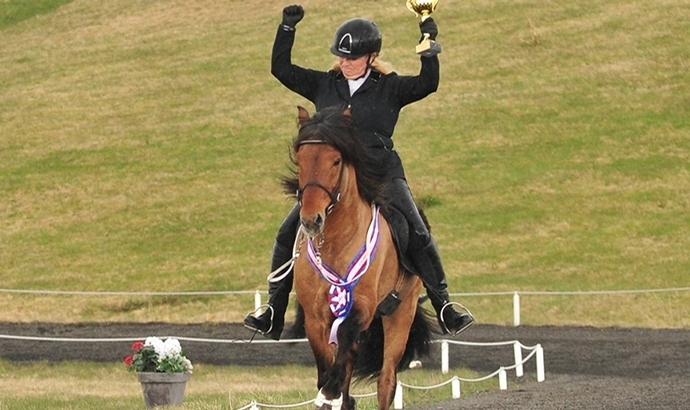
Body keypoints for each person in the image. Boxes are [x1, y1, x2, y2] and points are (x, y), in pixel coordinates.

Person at [244, 4, 474, 340]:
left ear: (372, 56)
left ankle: (444, 306)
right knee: (285, 232)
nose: (344, 62)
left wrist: (428, 37)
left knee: (417, 230)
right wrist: (287, 28)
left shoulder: (390, 87)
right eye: (340, 56)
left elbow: (429, 82)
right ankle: (273, 311)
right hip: (335, 180)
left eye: (352, 57)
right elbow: (281, 68)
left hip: (381, 173)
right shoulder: (324, 84)